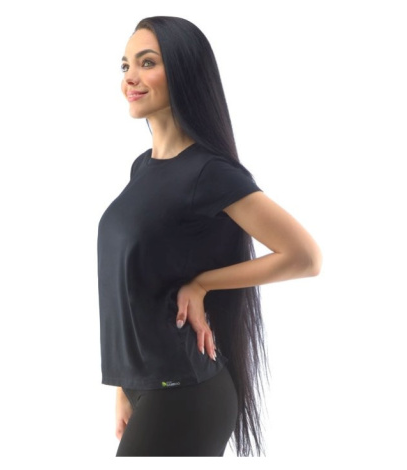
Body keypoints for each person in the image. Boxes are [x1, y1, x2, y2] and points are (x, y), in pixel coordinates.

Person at [97, 16, 322, 457]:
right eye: (125, 66)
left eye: (147, 63)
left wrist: (203, 284)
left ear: (183, 70)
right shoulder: (142, 168)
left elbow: (305, 257)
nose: (130, 78)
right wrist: (124, 386)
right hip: (148, 387)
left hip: (185, 392)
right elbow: (139, 287)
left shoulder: (210, 172)